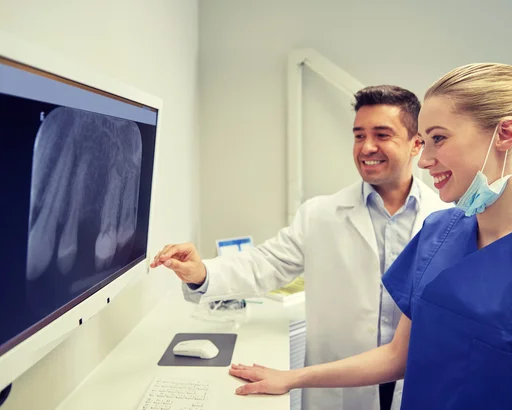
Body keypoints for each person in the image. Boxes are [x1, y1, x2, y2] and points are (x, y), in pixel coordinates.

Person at [226, 63, 512, 410]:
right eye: (424, 139)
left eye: (438, 138)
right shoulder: (439, 232)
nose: (423, 159)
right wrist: (292, 378)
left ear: (504, 134)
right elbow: (397, 355)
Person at [150, 85, 449, 410]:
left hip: (417, 384)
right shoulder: (320, 215)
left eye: (382, 134)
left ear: (416, 143)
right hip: (339, 390)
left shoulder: (448, 220)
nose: (367, 147)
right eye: (359, 135)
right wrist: (202, 272)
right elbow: (265, 263)